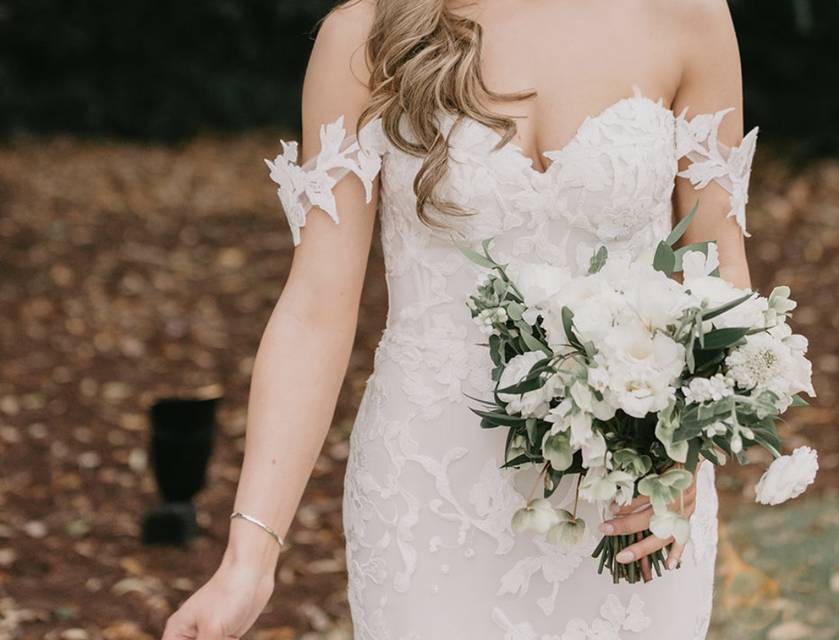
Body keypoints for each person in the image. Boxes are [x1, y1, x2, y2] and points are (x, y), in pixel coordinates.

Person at [162, 0, 757, 637]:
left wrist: (689, 450)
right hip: (428, 491)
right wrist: (247, 560)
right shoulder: (364, 38)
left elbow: (715, 270)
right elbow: (315, 311)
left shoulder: (684, 14)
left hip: (631, 494)